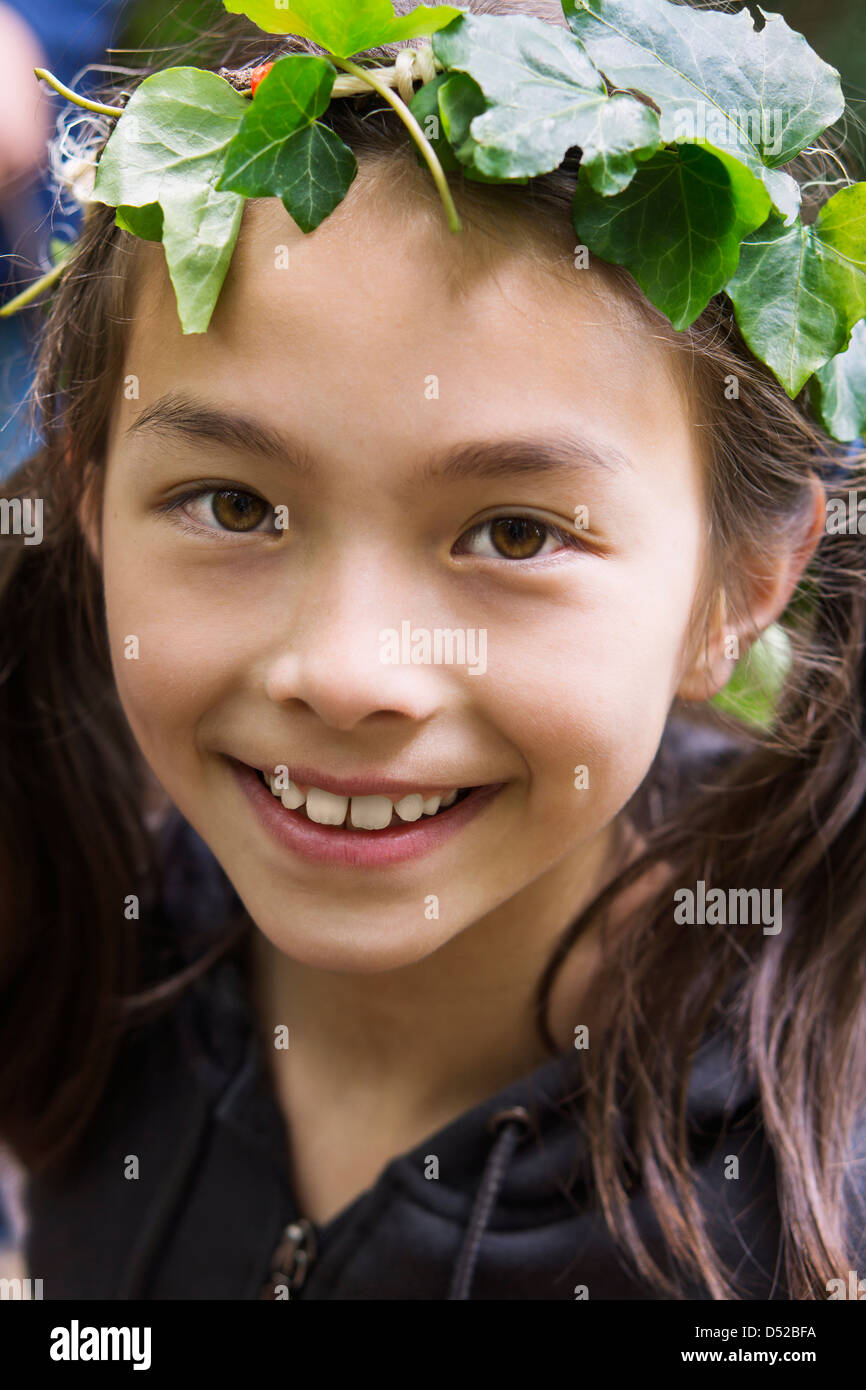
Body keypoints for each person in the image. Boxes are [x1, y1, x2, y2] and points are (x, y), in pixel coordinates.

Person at [1, 0, 865, 1301]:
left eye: (514, 531)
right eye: (235, 505)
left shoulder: (802, 1227)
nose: (350, 671)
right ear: (88, 500)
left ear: (740, 585)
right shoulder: (63, 937)